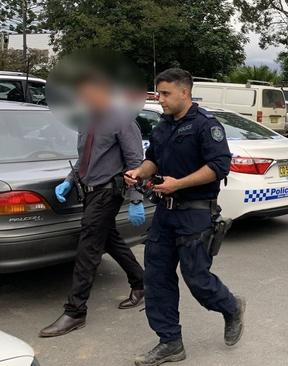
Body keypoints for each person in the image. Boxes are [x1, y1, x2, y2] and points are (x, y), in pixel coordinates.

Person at [124, 68, 245, 366]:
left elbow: (219, 166)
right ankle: (170, 342)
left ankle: (231, 307)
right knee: (156, 278)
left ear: (184, 93)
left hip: (195, 215)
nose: (160, 99)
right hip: (164, 215)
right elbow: (153, 158)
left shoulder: (206, 126)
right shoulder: (164, 125)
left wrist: (178, 183)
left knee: (197, 280)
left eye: (165, 94)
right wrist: (140, 171)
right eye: (158, 93)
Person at [39, 72, 146, 338]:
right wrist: (69, 180)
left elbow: (135, 162)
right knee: (109, 238)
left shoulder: (122, 120)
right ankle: (142, 283)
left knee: (88, 248)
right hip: (88, 191)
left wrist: (136, 199)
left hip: (108, 192)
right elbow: (85, 160)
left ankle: (75, 312)